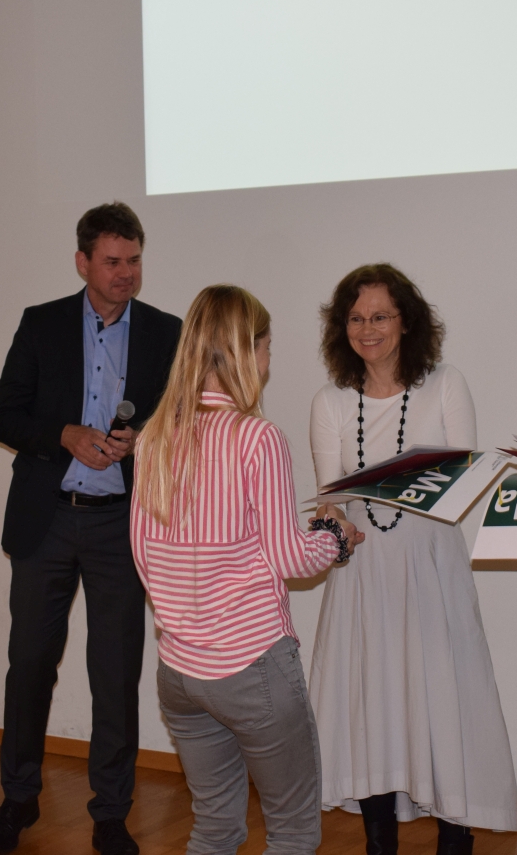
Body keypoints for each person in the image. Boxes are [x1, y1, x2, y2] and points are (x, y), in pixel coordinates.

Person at [130, 284, 364, 855]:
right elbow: (290, 558)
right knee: (292, 831)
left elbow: (142, 554)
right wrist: (334, 536)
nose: (268, 360)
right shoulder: (258, 438)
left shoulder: (154, 437)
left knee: (214, 828)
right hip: (253, 666)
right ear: (242, 350)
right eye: (266, 346)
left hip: (179, 671)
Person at [0, 202, 183, 855]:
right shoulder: (41, 324)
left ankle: (111, 813)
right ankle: (18, 799)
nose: (126, 273)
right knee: (30, 665)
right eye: (113, 261)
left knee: (115, 674)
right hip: (47, 520)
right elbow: (4, 416)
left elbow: (184, 424)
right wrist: (65, 434)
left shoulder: (166, 332)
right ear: (83, 263)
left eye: (135, 261)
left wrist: (143, 440)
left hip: (120, 525)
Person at [307, 264, 517, 855]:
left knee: (446, 699)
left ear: (407, 322)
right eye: (355, 318)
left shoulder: (446, 383)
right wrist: (333, 521)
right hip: (363, 574)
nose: (367, 329)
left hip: (432, 569)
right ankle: (380, 843)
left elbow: (461, 482)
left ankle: (456, 837)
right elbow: (330, 499)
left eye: (380, 316)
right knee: (370, 705)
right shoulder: (329, 401)